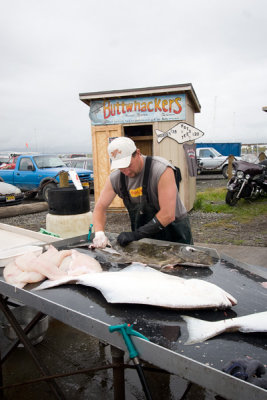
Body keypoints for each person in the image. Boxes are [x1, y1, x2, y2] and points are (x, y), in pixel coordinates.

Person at [92, 137, 193, 248]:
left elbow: (168, 215)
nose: (126, 171)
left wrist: (136, 235)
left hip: (174, 232)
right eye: (121, 167)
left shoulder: (161, 169)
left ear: (138, 153)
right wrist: (99, 233)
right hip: (144, 235)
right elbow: (99, 208)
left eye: (128, 165)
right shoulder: (115, 179)